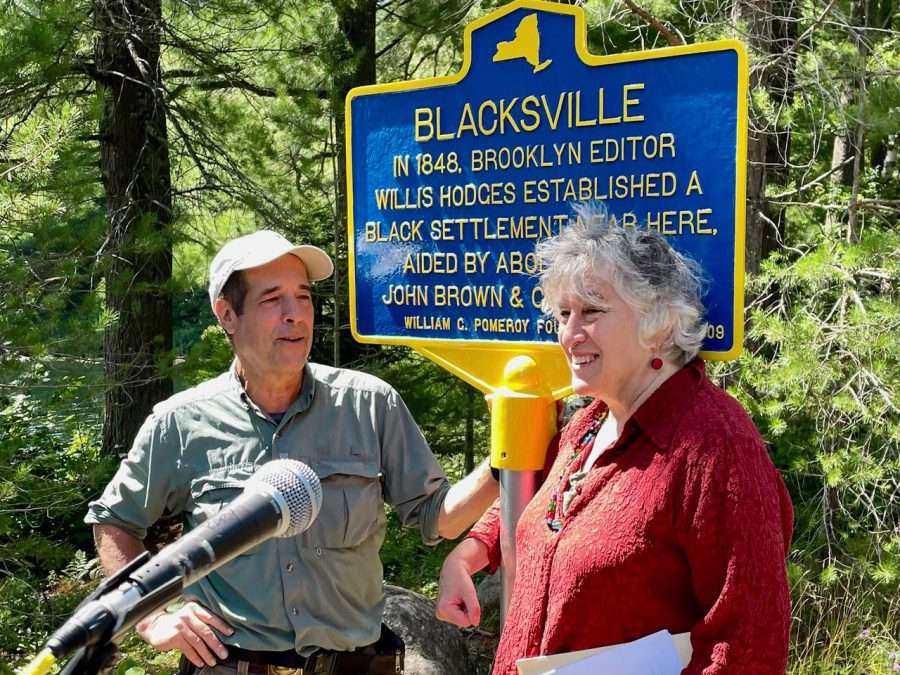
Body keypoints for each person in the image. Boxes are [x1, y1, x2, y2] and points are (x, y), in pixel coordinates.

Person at [86, 229, 498, 675]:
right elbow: (114, 522)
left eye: (303, 297)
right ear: (227, 314)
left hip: (355, 665)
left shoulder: (368, 404)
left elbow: (439, 515)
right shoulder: (181, 423)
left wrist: (502, 460)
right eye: (272, 300)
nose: (295, 315)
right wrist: (152, 619)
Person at [435, 207, 794, 674]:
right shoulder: (590, 424)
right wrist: (470, 552)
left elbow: (748, 647)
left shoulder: (718, 447)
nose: (569, 334)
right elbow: (548, 505)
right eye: (564, 313)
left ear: (660, 325)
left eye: (592, 311)